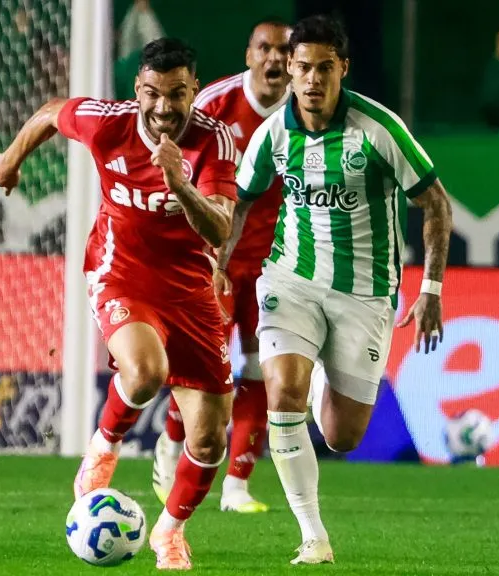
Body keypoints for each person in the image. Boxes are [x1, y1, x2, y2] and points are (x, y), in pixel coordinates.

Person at [0, 38, 238, 571]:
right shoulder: (108, 123)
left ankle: (169, 532)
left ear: (195, 89)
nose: (164, 106)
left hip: (190, 290)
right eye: (152, 93)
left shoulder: (213, 141)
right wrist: (10, 161)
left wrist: (179, 182)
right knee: (146, 372)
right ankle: (103, 447)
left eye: (176, 94)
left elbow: (219, 227)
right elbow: (53, 113)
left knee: (212, 439)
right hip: (120, 272)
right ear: (137, 89)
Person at [220, 15, 454, 564]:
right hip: (290, 280)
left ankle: (322, 364)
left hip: (365, 292)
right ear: (292, 71)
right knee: (282, 393)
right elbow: (240, 202)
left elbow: (435, 203)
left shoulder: (378, 129)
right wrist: (217, 267)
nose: (311, 79)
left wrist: (433, 287)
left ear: (342, 69)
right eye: (303, 67)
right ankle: (313, 536)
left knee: (342, 436)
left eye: (324, 67)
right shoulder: (273, 132)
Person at [151, 18, 291, 515]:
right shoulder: (213, 104)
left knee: (264, 369)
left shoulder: (310, 109)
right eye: (265, 49)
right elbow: (180, 176)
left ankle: (237, 485)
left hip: (279, 266)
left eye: (284, 51)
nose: (276, 59)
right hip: (218, 261)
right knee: (203, 366)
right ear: (249, 54)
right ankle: (170, 441)